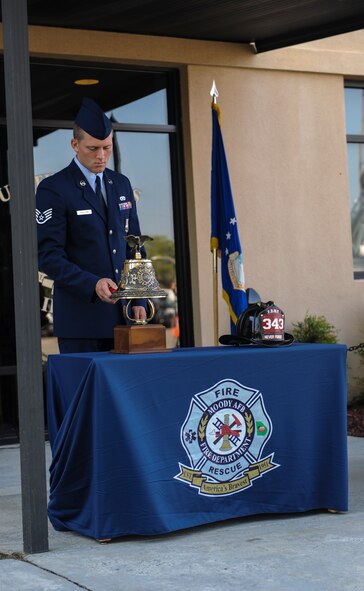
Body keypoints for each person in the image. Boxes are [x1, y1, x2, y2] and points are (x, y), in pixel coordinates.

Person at [36, 97, 146, 353]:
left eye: (107, 148)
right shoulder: (54, 189)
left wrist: (139, 296)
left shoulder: (121, 184)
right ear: (75, 144)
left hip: (126, 319)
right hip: (81, 322)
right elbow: (48, 256)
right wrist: (92, 283)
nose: (102, 156)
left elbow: (134, 244)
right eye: (93, 148)